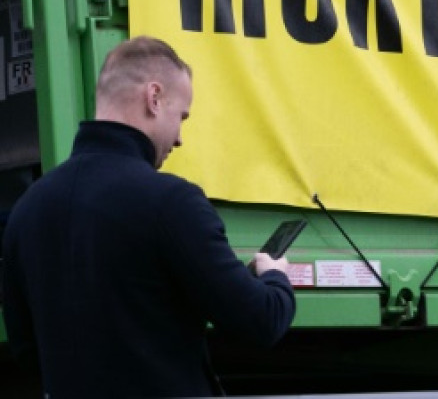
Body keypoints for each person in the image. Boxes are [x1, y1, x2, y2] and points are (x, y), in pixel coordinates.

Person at [1, 36, 296, 398]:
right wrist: (276, 278)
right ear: (154, 98)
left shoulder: (28, 209)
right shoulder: (172, 203)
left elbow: (27, 351)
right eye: (182, 116)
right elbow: (260, 321)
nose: (180, 139)